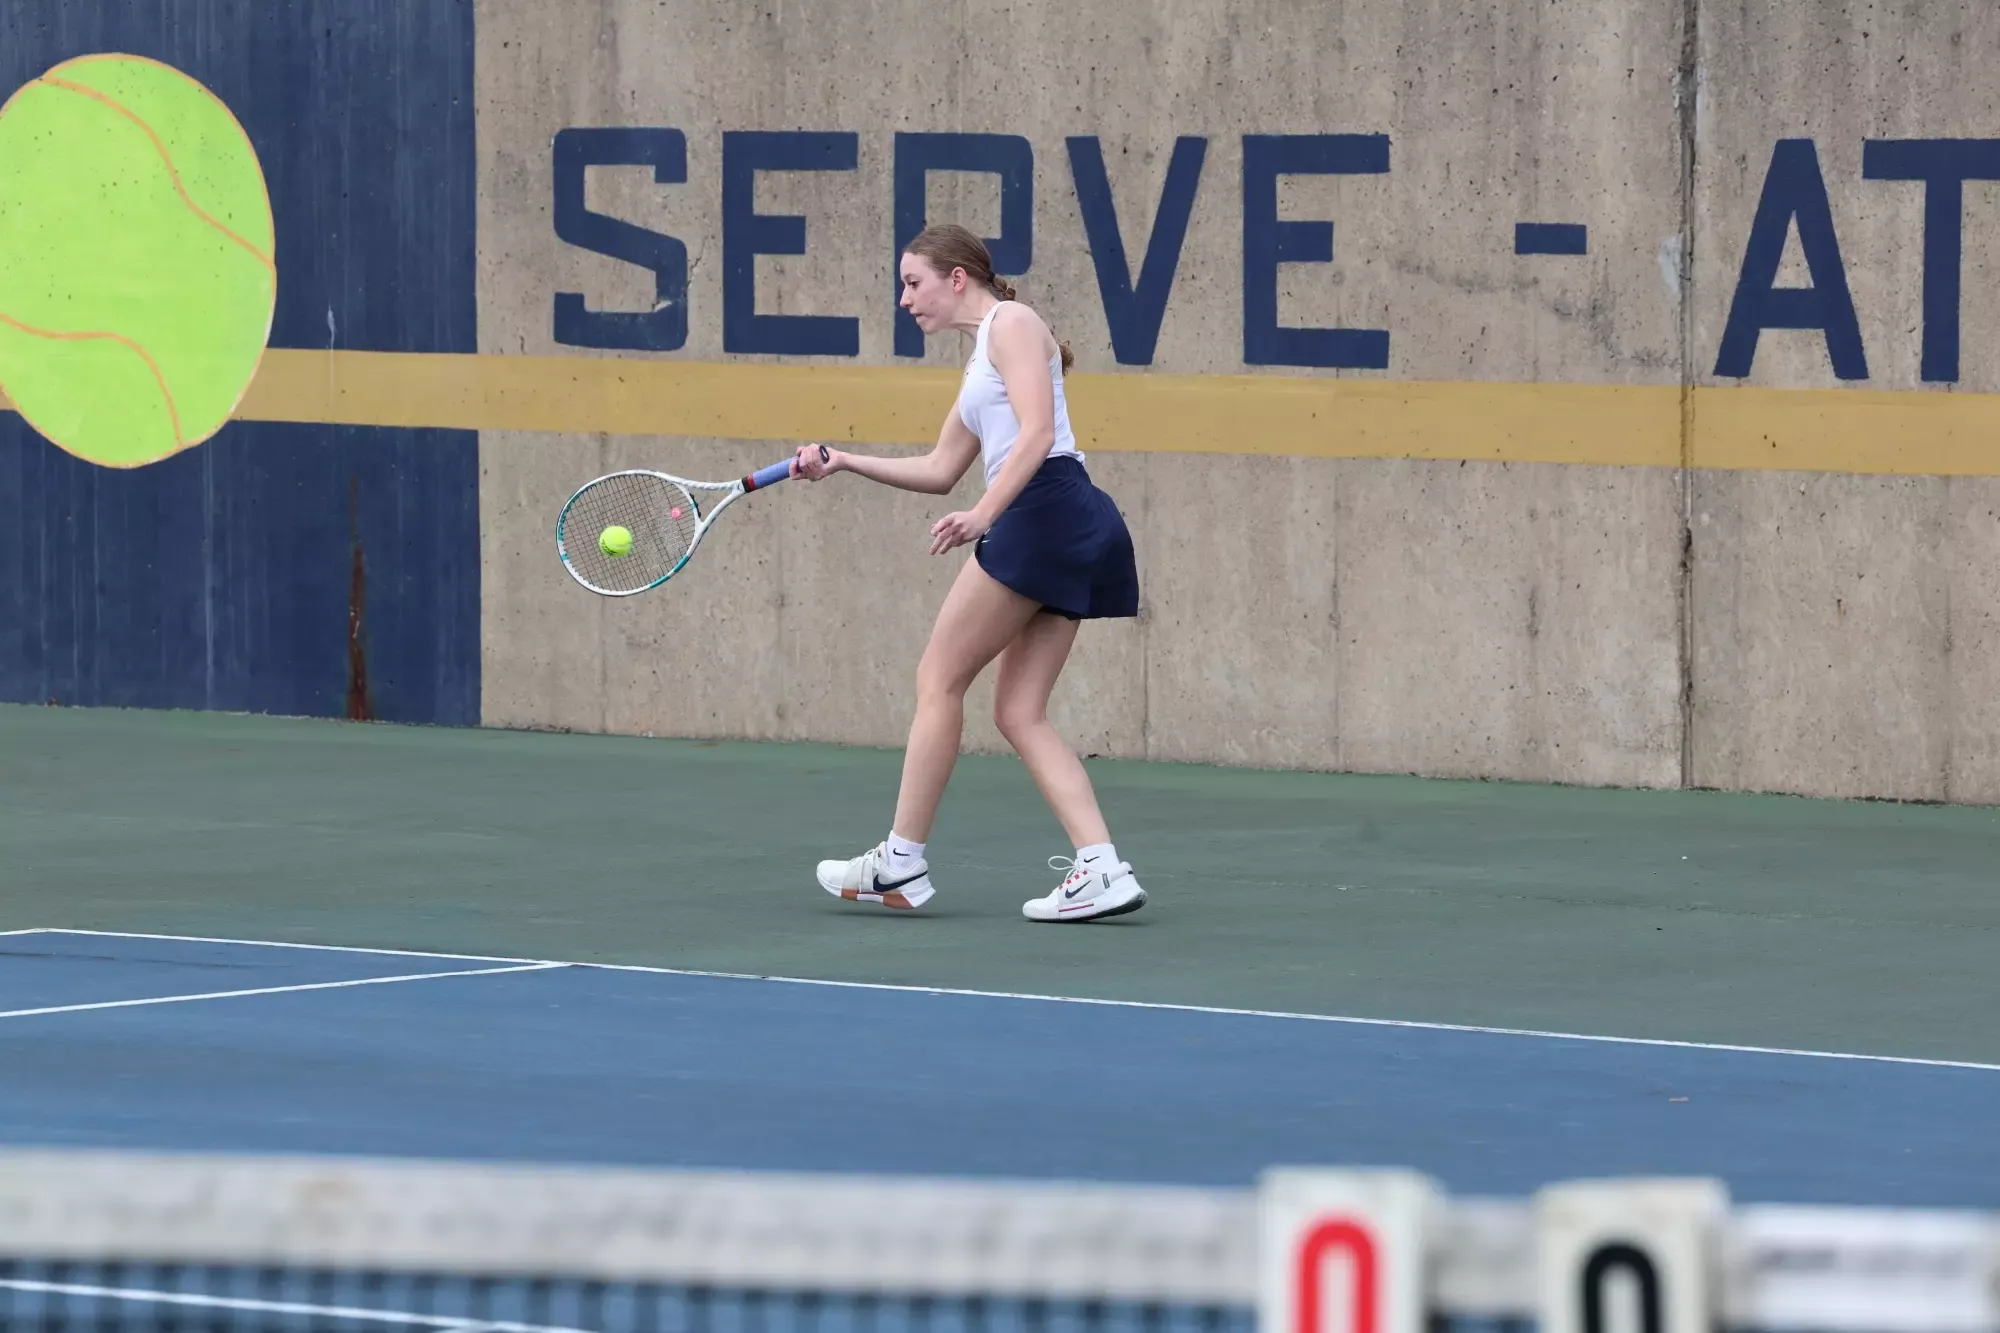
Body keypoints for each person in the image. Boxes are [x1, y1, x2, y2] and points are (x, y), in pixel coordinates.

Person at [789, 224, 1145, 923]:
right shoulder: (982, 358)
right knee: (1018, 710)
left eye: (912, 282)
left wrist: (984, 513)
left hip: (1042, 509)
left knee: (938, 678)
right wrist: (846, 461)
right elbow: (939, 467)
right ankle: (1103, 867)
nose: (904, 299)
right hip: (1066, 520)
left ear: (957, 278)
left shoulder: (1012, 322)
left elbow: (1039, 434)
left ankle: (900, 859)